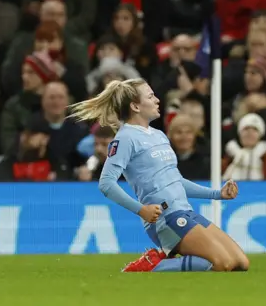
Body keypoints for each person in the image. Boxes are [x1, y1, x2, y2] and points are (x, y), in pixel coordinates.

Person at [69, 78, 249, 272]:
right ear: (135, 106)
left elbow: (176, 181)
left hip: (185, 211)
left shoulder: (159, 135)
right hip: (166, 218)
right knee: (223, 264)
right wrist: (141, 210)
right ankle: (152, 266)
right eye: (151, 96)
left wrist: (217, 194)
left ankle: (165, 261)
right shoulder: (125, 139)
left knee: (241, 263)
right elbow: (106, 183)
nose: (157, 100)